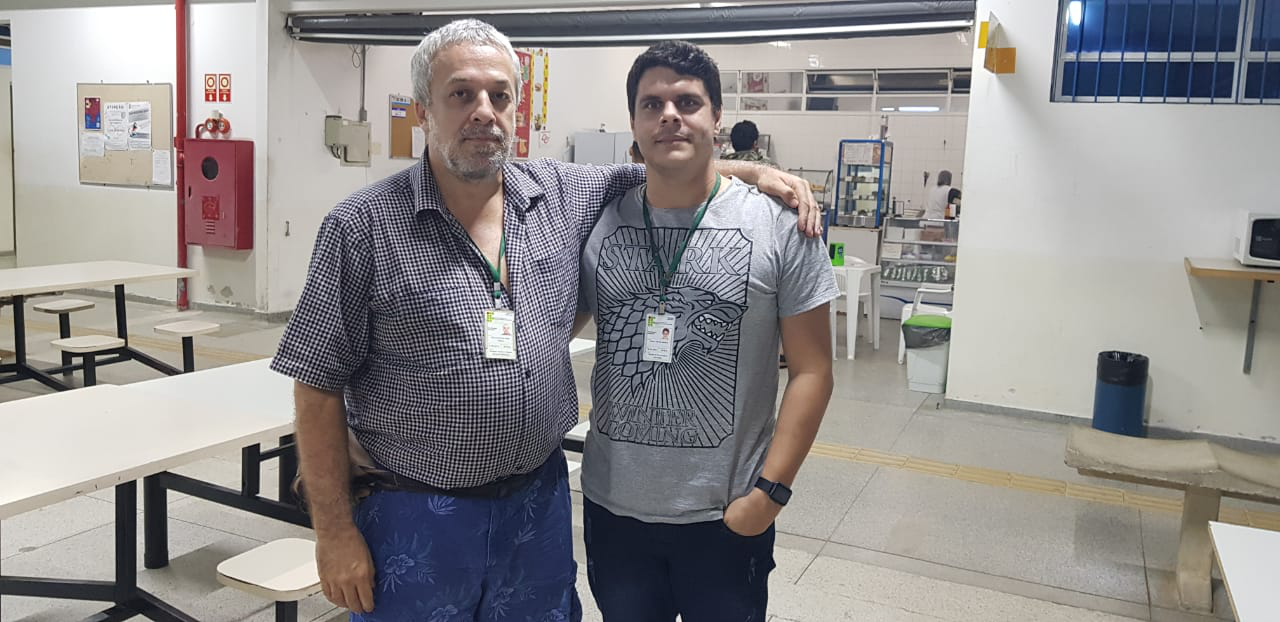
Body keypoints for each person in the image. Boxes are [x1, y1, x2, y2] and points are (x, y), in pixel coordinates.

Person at [270, 19, 822, 621]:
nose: (484, 111)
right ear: (424, 109)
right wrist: (333, 533)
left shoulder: (559, 194)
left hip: (537, 509)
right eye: (461, 94)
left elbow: (674, 170)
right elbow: (317, 387)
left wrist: (758, 175)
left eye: (499, 95)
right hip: (415, 509)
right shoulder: (362, 226)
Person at [576, 40, 838, 621]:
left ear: (716, 118)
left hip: (725, 515)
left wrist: (769, 495)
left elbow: (814, 371)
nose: (670, 115)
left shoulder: (780, 226)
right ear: (634, 123)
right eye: (653, 104)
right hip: (613, 510)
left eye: (688, 102)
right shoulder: (596, 216)